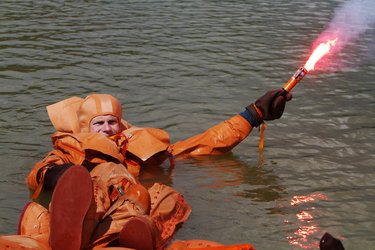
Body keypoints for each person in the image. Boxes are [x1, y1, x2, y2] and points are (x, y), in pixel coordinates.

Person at [1, 89, 291, 249]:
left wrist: (252, 115)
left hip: (130, 214)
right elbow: (41, 171)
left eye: (111, 121)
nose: (106, 128)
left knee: (166, 196)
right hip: (89, 205)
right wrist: (59, 175)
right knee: (57, 201)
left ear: (121, 123)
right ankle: (80, 233)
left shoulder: (143, 150)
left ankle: (131, 236)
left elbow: (203, 145)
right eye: (97, 124)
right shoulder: (71, 152)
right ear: (84, 129)